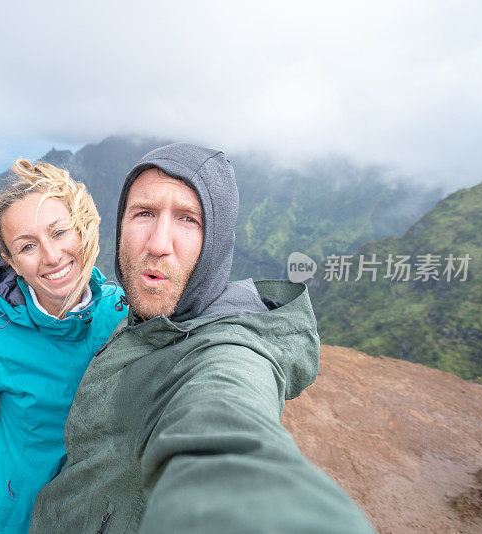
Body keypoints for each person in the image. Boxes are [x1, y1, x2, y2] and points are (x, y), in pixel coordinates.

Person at [29, 143, 374, 533]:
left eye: (188, 220)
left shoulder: (226, 355)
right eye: (143, 213)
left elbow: (224, 427)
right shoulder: (137, 315)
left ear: (216, 242)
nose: (158, 244)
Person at [0, 159, 127, 533]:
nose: (52, 256)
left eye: (59, 233)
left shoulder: (126, 314)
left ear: (81, 230)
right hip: (12, 518)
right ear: (11, 263)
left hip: (98, 514)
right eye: (28, 246)